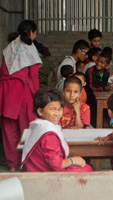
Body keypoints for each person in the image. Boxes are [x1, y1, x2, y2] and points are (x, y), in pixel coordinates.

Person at [0, 20, 42, 172]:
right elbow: (34, 76)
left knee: (9, 130)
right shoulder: (30, 49)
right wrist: (37, 98)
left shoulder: (8, 48)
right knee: (28, 129)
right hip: (23, 93)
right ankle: (28, 163)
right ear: (31, 32)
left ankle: (12, 165)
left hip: (6, 94)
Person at [21, 88, 92, 172]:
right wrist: (73, 160)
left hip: (35, 168)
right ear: (40, 111)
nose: (57, 113)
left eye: (59, 109)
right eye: (52, 109)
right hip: (47, 173)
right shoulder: (49, 134)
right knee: (87, 169)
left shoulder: (39, 125)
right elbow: (56, 165)